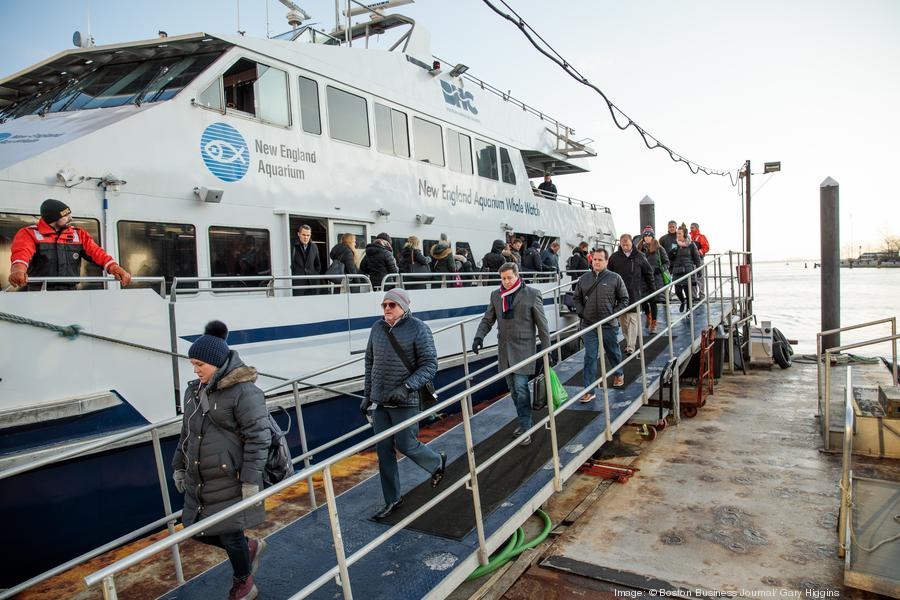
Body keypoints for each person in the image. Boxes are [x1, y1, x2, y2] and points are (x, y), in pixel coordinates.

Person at [172, 321, 271, 600]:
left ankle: (244, 583)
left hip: (231, 476)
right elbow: (186, 433)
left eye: (199, 364)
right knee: (194, 529)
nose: (195, 369)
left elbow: (258, 438)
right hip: (201, 476)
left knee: (228, 532)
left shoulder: (244, 392)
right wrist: (178, 466)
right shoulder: (195, 391)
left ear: (216, 363)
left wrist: (251, 481)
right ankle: (249, 547)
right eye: (193, 363)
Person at [360, 289, 446, 519]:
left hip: (406, 400)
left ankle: (437, 461)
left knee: (407, 445)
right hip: (380, 401)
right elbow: (370, 362)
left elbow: (429, 366)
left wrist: (406, 388)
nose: (387, 309)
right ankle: (392, 500)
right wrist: (367, 395)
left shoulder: (419, 328)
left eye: (392, 305)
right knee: (383, 452)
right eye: (384, 305)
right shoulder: (377, 328)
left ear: (404, 307)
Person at [472, 262, 551, 446]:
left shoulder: (532, 294)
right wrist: (478, 337)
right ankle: (525, 421)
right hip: (505, 351)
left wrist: (548, 350)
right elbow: (488, 319)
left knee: (521, 388)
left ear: (517, 275)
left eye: (509, 278)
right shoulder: (496, 295)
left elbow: (543, 325)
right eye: (503, 279)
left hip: (524, 349)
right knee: (514, 391)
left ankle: (526, 428)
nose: (506, 282)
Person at [8, 199, 131, 290]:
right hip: (39, 291)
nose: (70, 218)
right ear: (53, 218)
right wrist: (18, 270)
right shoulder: (29, 234)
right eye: (65, 215)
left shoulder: (79, 234)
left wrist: (114, 267)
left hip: (71, 292)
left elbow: (97, 253)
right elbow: (21, 254)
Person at [573, 249, 629, 399]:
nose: (596, 262)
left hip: (608, 324)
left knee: (613, 351)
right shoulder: (584, 279)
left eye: (600, 260)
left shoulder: (615, 278)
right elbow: (576, 297)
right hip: (589, 324)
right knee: (590, 356)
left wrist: (614, 313)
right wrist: (581, 312)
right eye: (594, 259)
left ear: (606, 261)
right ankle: (589, 390)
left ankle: (618, 373)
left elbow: (624, 299)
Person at [608, 234, 655, 355]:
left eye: (627, 244)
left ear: (631, 243)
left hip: (634, 292)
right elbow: (608, 275)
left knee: (632, 319)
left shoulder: (639, 256)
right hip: (619, 293)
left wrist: (652, 290)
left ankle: (631, 346)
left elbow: (648, 273)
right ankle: (628, 341)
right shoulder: (614, 257)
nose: (625, 247)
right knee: (623, 321)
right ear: (620, 244)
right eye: (623, 245)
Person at [636, 227, 669, 334]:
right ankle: (648, 316)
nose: (647, 237)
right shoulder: (638, 249)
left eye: (649, 235)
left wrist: (659, 269)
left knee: (653, 301)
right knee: (644, 301)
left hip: (655, 278)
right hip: (642, 279)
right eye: (645, 235)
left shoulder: (659, 249)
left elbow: (666, 263)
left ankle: (654, 324)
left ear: (653, 237)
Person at [668, 224, 702, 312]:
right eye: (677, 234)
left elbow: (697, 258)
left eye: (679, 233)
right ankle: (683, 302)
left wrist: (699, 269)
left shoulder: (691, 244)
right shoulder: (675, 244)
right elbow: (670, 257)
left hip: (688, 270)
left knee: (688, 291)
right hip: (677, 270)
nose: (678, 235)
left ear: (684, 234)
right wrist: (672, 252)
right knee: (678, 290)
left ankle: (688, 309)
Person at [290, 224, 320, 296]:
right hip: (297, 283)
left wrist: (314, 274)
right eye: (303, 235)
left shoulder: (314, 246)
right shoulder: (292, 245)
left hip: (312, 283)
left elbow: (318, 264)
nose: (306, 237)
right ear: (298, 234)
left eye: (308, 235)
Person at [689, 222, 710, 299]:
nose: (691, 229)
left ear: (697, 228)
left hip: (699, 260)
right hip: (691, 260)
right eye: (690, 227)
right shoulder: (689, 237)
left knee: (700, 277)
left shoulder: (701, 237)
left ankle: (701, 295)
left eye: (692, 227)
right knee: (692, 279)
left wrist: (700, 251)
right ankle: (693, 296)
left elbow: (706, 247)